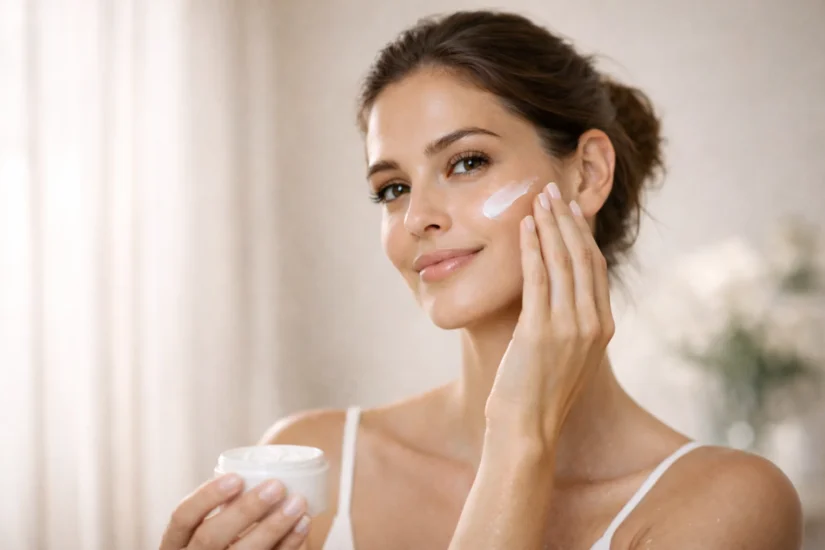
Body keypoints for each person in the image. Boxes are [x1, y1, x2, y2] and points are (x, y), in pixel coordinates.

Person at [159, 10, 803, 550]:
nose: (417, 217)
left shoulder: (726, 504)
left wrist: (520, 435)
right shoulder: (308, 462)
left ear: (586, 175)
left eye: (467, 162)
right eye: (393, 188)